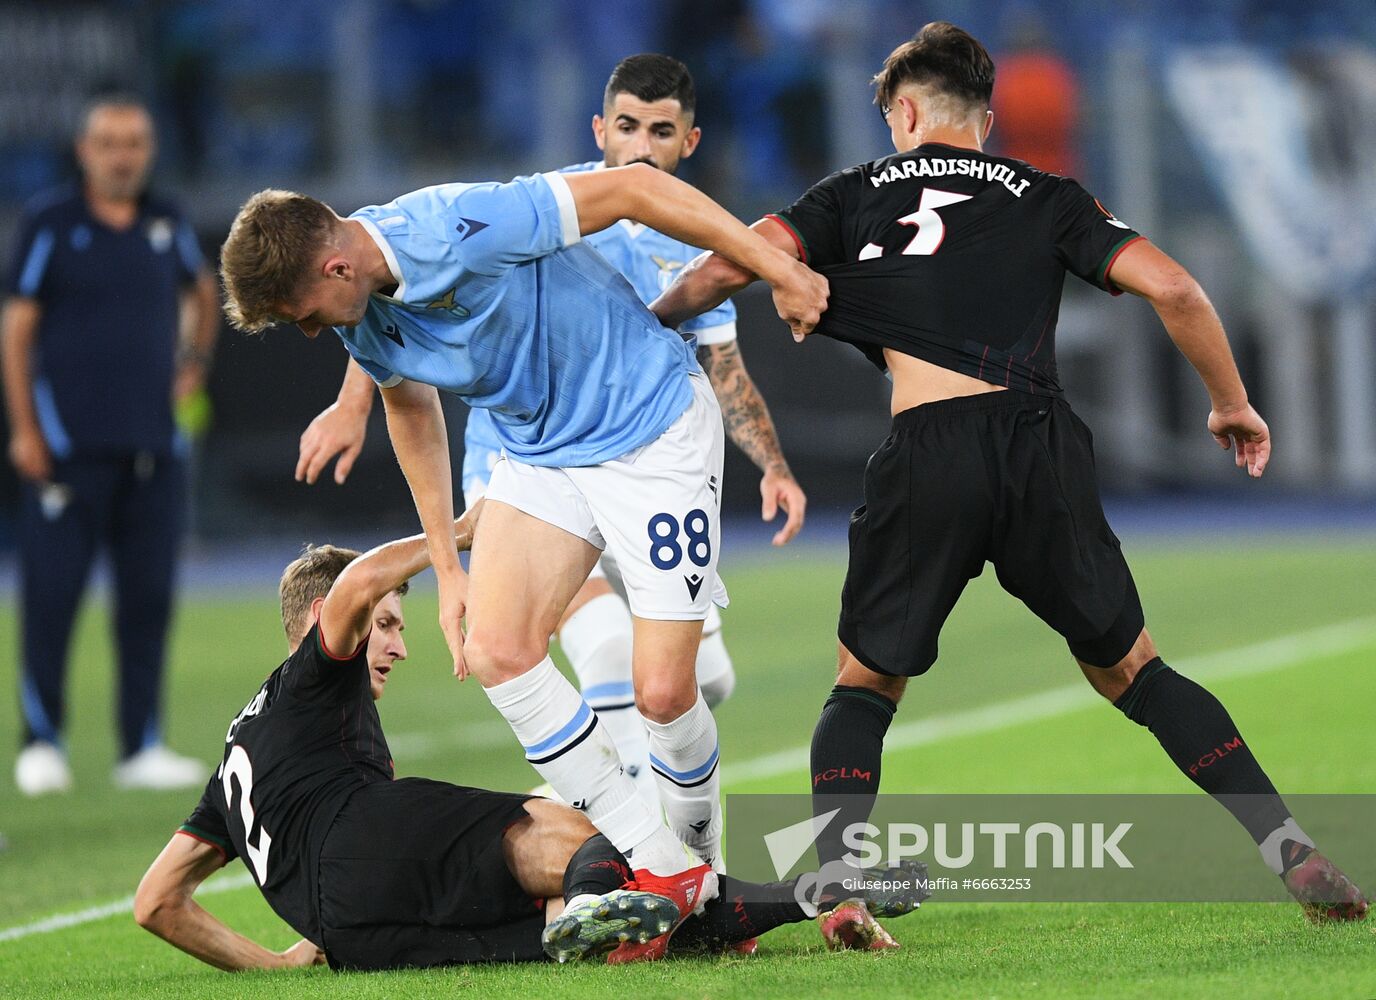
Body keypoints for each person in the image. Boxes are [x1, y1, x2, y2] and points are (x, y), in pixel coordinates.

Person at [650, 22, 1368, 922]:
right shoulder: (1050, 194)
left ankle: (837, 884)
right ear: (984, 120)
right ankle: (1287, 845)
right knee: (1136, 673)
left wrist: (655, 313)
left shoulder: (848, 194)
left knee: (864, 684)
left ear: (905, 112)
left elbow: (721, 269)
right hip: (1036, 443)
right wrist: (1230, 403)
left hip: (927, 449)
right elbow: (1177, 290)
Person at [217, 156, 827, 959]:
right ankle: (663, 867)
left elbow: (634, 188)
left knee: (664, 693)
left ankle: (701, 878)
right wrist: (448, 570)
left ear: (336, 265)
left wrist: (778, 266)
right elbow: (409, 408)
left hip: (650, 428)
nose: (309, 332)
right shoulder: (359, 313)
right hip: (542, 456)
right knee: (497, 649)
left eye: (302, 314)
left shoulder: (458, 225)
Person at [295, 53, 807, 812]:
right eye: (626, 126)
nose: (639, 146)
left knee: (680, 686)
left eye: (660, 132)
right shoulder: (562, 204)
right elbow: (381, 309)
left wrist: (772, 463)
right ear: (600, 128)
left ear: (688, 143)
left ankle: (633, 810)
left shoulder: (691, 239)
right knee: (587, 645)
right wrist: (355, 401)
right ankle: (641, 845)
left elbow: (722, 365)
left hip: (645, 438)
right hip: (523, 456)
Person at [133, 524, 917, 971]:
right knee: (600, 841)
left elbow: (156, 903)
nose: (399, 646)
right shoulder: (312, 676)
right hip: (369, 839)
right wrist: (461, 536)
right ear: (318, 626)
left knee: (626, 925)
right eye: (389, 624)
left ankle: (818, 899)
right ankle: (601, 896)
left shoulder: (245, 747)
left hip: (354, 936)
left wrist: (276, 966)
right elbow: (356, 582)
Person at [2, 94, 219, 795]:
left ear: (149, 149)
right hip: (67, 450)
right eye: (109, 142)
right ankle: (41, 741)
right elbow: (16, 331)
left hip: (154, 448)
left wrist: (192, 361)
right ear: (84, 149)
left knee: (148, 600)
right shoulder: (50, 222)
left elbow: (203, 290)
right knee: (52, 598)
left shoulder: (166, 219)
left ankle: (142, 744)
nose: (122, 155)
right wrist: (27, 430)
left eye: (134, 142)